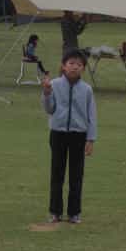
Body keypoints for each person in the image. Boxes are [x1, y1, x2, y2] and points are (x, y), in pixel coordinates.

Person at [42, 49, 97, 224]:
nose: (74, 67)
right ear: (64, 66)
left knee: (76, 175)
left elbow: (92, 115)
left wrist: (91, 139)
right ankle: (55, 212)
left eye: (78, 64)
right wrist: (47, 93)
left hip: (78, 135)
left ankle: (74, 213)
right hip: (58, 134)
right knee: (57, 174)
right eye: (71, 63)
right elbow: (49, 109)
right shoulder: (55, 84)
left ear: (83, 68)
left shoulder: (87, 89)